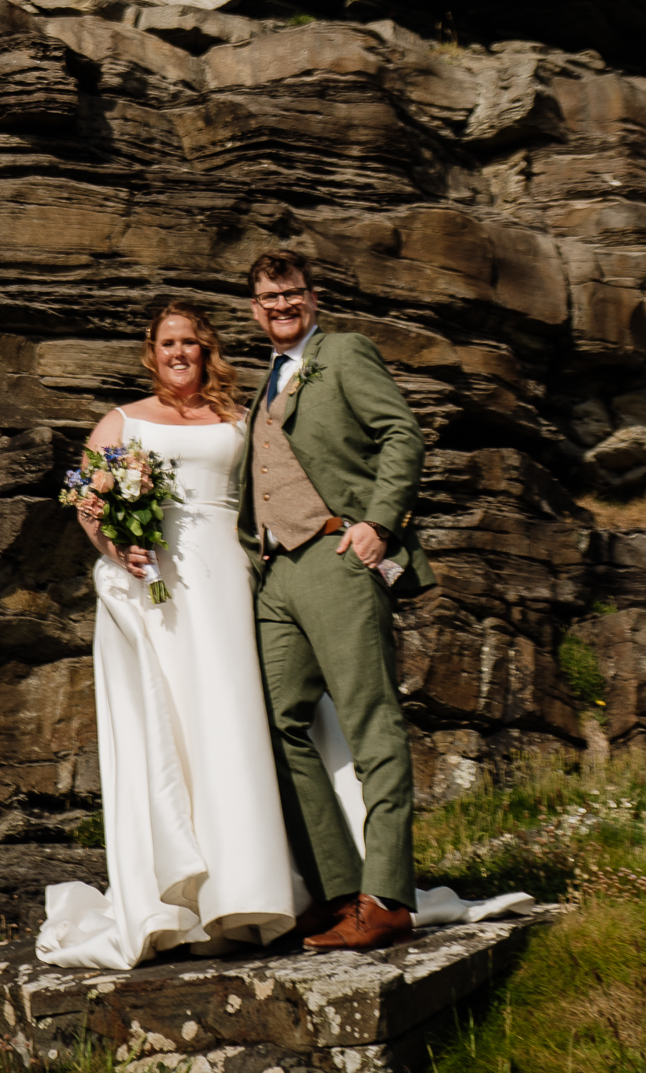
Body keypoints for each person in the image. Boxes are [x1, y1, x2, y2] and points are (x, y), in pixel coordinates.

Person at [36, 300, 308, 970]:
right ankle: (183, 902)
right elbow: (79, 491)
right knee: (176, 728)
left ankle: (256, 889)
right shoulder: (123, 422)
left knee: (234, 724)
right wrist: (115, 546)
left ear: (206, 350)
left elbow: (273, 494)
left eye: (189, 341)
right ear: (151, 353)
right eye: (167, 343)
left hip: (231, 583)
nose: (179, 352)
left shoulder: (240, 421)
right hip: (158, 591)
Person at [237, 246, 437, 954]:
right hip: (276, 571)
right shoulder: (265, 380)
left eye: (290, 293)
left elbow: (402, 434)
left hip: (336, 554)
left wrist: (379, 524)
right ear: (254, 309)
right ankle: (336, 889)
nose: (281, 306)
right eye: (268, 298)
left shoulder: (346, 353)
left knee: (371, 722)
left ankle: (388, 900)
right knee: (274, 723)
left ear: (312, 298)